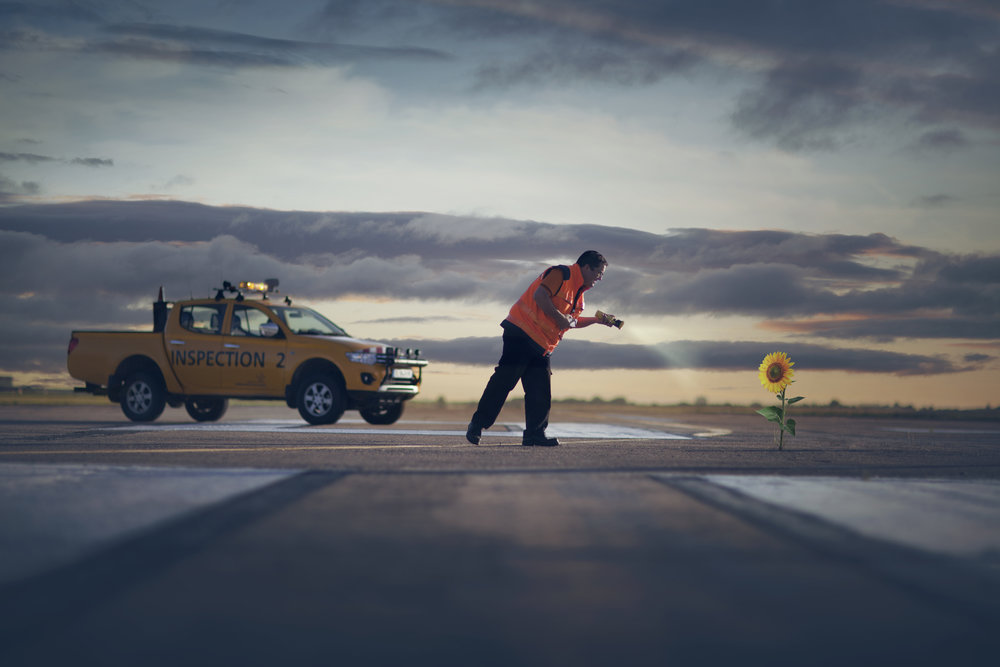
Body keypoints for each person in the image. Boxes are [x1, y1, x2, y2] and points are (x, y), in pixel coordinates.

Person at [466, 250, 612, 447]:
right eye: (599, 273)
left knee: (540, 391)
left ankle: (534, 434)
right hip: (521, 333)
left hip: (542, 344)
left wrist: (597, 320)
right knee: (504, 381)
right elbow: (540, 296)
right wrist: (561, 319)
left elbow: (571, 322)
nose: (600, 278)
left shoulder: (579, 295)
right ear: (587, 267)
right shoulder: (562, 274)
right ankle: (477, 424)